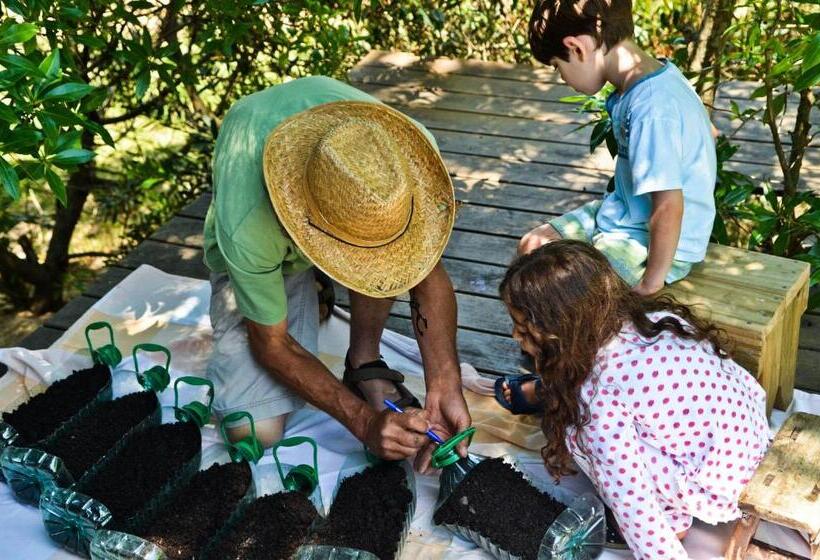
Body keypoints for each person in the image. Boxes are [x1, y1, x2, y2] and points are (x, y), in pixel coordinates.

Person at [203, 76, 471, 470]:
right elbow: (271, 344)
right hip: (266, 221)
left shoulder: (409, 160)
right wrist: (363, 422)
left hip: (334, 187)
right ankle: (300, 274)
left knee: (389, 257)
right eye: (348, 254)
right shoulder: (249, 226)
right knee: (253, 431)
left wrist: (446, 384)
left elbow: (427, 274)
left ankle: (364, 363)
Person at [498, 0, 718, 414]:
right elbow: (708, 129)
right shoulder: (644, 80)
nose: (562, 78)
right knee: (534, 246)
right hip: (620, 212)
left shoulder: (653, 107)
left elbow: (668, 206)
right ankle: (549, 361)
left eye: (557, 66)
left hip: (650, 240)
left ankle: (561, 387)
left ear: (577, 47)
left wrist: (652, 282)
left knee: (563, 292)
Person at [499, 240, 770, 559]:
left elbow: (630, 495)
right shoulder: (658, 320)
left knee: (581, 436)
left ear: (564, 332)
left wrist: (661, 552)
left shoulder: (596, 395)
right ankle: (545, 390)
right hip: (750, 440)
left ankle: (674, 522)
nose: (516, 337)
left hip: (719, 484)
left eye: (524, 331)